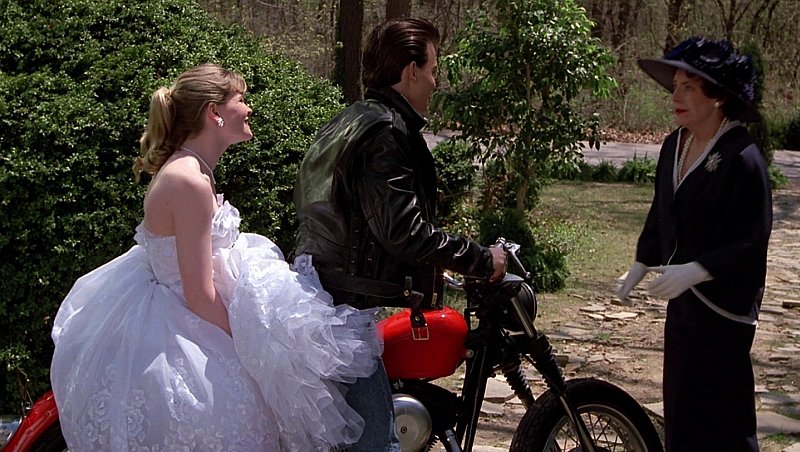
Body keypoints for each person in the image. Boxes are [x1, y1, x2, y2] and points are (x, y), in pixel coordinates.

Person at [50, 63, 381, 451]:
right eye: (241, 99)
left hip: (191, 311)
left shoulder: (196, 171)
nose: (249, 108)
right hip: (182, 325)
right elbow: (198, 294)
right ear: (214, 112)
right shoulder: (188, 180)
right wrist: (250, 346)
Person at [293, 18, 507, 451]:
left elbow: (359, 218)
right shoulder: (386, 132)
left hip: (325, 298)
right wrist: (482, 259)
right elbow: (403, 231)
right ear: (411, 71)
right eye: (433, 70)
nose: (435, 82)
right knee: (378, 442)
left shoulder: (352, 119)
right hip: (341, 313)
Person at [616, 37, 772, 451]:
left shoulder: (743, 158)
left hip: (724, 311)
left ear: (717, 96)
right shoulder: (674, 145)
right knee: (682, 415)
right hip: (683, 311)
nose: (676, 97)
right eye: (675, 87)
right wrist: (641, 263)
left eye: (688, 88)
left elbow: (751, 241)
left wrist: (698, 270)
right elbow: (661, 213)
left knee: (724, 422)